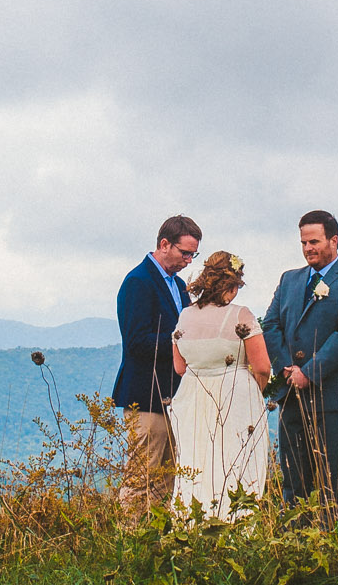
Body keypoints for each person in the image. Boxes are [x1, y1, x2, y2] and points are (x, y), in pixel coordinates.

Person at [260, 210, 338, 525]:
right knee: (294, 480)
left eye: (314, 241)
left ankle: (334, 550)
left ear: (333, 240)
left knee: (334, 481)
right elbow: (270, 325)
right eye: (304, 242)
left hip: (335, 399)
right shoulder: (289, 279)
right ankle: (295, 547)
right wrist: (286, 368)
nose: (308, 248)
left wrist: (308, 372)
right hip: (291, 397)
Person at [168, 252, 273, 518]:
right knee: (237, 464)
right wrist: (254, 392)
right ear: (232, 284)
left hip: (192, 397)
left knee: (196, 464)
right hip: (235, 396)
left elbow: (180, 367)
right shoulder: (241, 315)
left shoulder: (185, 316)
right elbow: (262, 366)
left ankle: (193, 525)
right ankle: (236, 526)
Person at [113, 215, 202, 519]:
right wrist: (180, 342)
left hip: (174, 395)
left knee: (167, 477)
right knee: (142, 475)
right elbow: (137, 341)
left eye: (193, 254)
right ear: (165, 244)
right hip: (146, 394)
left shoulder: (178, 285)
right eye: (184, 253)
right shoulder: (138, 282)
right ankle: (130, 541)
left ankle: (156, 541)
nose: (189, 261)